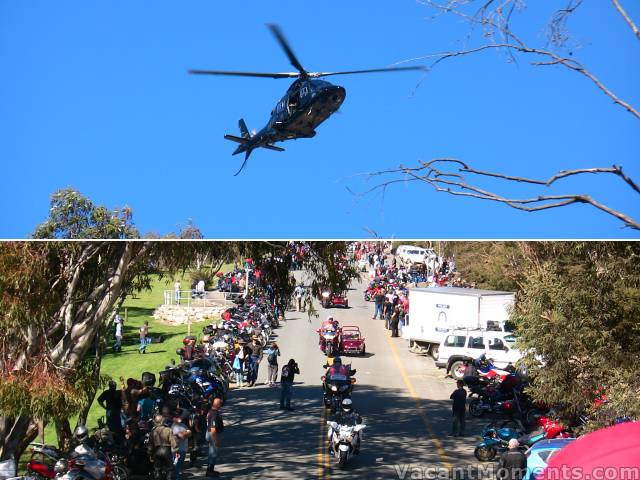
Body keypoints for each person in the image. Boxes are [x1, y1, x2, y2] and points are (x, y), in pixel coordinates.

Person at [148, 414, 176, 480]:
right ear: (162, 421)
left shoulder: (153, 431)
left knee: (157, 469)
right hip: (167, 451)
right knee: (170, 468)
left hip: (157, 451)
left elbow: (150, 445)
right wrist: (175, 450)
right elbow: (173, 442)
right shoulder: (168, 430)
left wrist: (149, 454)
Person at [171, 410, 192, 480]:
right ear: (173, 418)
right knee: (177, 467)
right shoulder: (173, 427)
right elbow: (181, 437)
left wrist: (184, 433)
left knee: (179, 466)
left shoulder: (183, 425)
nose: (179, 418)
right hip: (177, 450)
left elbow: (190, 433)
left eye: (179, 416)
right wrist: (185, 433)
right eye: (177, 417)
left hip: (183, 449)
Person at [205, 398, 223, 477]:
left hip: (209, 433)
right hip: (212, 434)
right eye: (220, 404)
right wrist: (216, 440)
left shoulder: (211, 411)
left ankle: (210, 470)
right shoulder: (214, 414)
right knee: (213, 453)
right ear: (217, 404)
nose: (221, 405)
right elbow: (213, 428)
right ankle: (209, 471)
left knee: (211, 452)